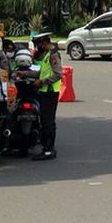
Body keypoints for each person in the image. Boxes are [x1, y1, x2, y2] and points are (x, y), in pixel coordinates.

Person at [30, 30, 62, 160]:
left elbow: (58, 74)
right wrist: (24, 74)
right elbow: (42, 72)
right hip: (44, 91)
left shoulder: (53, 55)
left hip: (49, 92)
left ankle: (49, 150)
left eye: (38, 44)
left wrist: (42, 82)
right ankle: (47, 148)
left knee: (47, 121)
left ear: (44, 43)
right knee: (45, 120)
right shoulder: (46, 55)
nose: (38, 47)